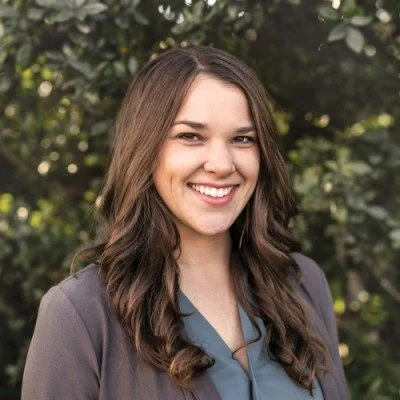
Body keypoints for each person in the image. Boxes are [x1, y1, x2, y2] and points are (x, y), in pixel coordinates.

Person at [21, 45, 350, 400]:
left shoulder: (302, 285)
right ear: (145, 149)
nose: (222, 164)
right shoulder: (80, 314)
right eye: (190, 136)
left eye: (242, 139)